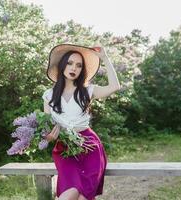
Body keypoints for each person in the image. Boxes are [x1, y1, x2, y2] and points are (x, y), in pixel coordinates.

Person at [42, 44, 121, 200]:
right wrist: (49, 137)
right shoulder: (48, 95)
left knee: (83, 197)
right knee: (70, 192)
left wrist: (104, 57)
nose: (74, 68)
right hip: (65, 149)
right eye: (70, 63)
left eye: (79, 65)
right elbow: (46, 129)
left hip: (89, 147)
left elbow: (115, 86)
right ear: (62, 65)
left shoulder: (87, 91)